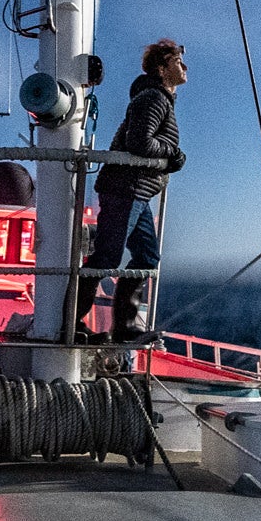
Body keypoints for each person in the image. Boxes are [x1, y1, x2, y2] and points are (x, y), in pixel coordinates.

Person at [77, 38, 187, 341]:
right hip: (125, 189)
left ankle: (125, 325)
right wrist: (171, 154)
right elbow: (139, 142)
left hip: (137, 191)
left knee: (147, 256)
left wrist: (169, 159)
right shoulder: (153, 98)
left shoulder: (159, 98)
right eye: (178, 61)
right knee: (108, 257)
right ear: (163, 67)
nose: (184, 66)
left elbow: (144, 145)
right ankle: (69, 322)